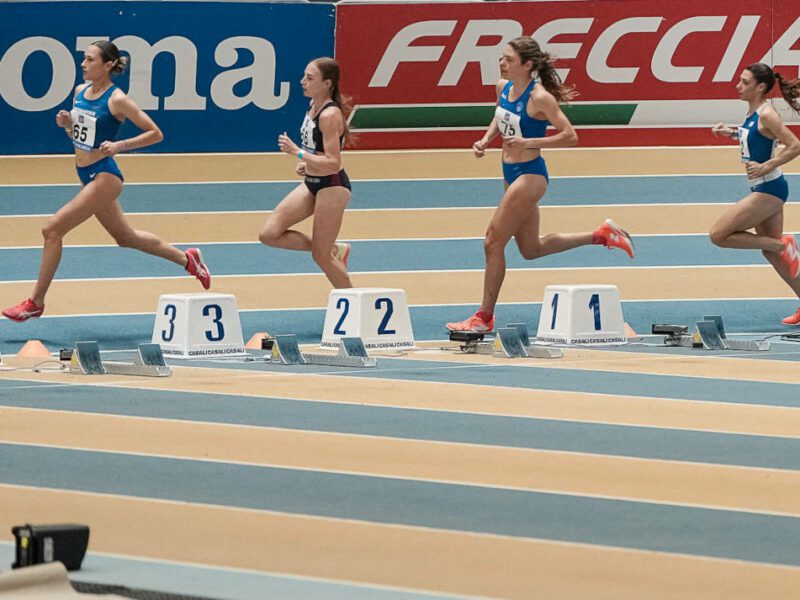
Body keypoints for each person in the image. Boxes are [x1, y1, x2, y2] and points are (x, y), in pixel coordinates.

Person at [2, 40, 210, 323]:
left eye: (89, 60)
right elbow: (79, 137)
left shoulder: (117, 99)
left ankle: (35, 302)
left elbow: (155, 133)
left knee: (51, 229)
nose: (83, 64)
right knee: (126, 238)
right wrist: (67, 125)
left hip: (105, 176)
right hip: (85, 173)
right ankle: (188, 260)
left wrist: (120, 145)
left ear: (108, 64)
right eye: (84, 59)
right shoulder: (79, 92)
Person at [446, 36, 635, 333]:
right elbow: (501, 116)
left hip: (530, 176)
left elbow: (570, 136)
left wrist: (529, 142)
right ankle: (601, 235)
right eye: (502, 58)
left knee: (492, 241)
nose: (502, 63)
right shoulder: (503, 87)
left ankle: (484, 317)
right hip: (509, 173)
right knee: (531, 249)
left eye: (509, 59)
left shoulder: (540, 98)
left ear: (528, 64)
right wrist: (485, 139)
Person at [709, 63, 800, 325]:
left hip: (769, 188)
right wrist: (731, 133)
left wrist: (767, 165)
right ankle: (782, 251)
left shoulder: (768, 114)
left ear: (760, 87)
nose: (738, 86)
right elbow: (756, 138)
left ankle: (784, 244)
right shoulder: (754, 113)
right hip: (765, 187)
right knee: (770, 254)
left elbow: (795, 145)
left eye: (745, 82)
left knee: (718, 235)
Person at [259, 57, 352, 289]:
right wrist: (308, 164)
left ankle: (355, 305)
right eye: (304, 76)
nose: (303, 82)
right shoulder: (313, 106)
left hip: (332, 185)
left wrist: (298, 153)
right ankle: (332, 249)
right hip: (313, 181)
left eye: (310, 78)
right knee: (269, 234)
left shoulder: (330, 115)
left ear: (327, 84)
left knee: (321, 258)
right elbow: (318, 152)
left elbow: (332, 163)